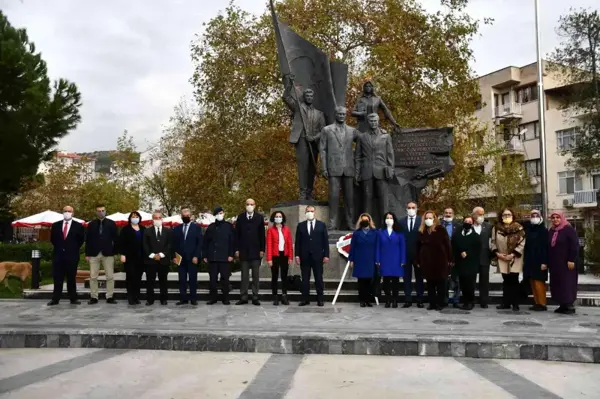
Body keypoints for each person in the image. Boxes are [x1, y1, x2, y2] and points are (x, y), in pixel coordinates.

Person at [282, 74, 326, 200]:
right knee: (303, 167)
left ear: (313, 97)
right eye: (307, 95)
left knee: (312, 167)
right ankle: (302, 193)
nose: (309, 97)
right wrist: (289, 83)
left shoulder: (319, 114)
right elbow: (286, 97)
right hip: (301, 139)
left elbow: (323, 130)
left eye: (311, 95)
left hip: (314, 142)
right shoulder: (298, 108)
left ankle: (309, 193)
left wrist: (314, 137)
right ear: (304, 97)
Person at [320, 106, 358, 230]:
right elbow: (323, 149)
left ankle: (350, 223)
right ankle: (332, 223)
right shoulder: (327, 130)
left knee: (349, 197)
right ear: (335, 115)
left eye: (343, 114)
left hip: (348, 168)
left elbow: (364, 141)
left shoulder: (353, 131)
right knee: (334, 196)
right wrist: (324, 167)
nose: (341, 116)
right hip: (333, 167)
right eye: (339, 114)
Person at [355, 113, 395, 221]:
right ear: (368, 122)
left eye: (375, 121)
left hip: (381, 171)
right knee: (367, 200)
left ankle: (385, 225)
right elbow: (358, 157)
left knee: (383, 201)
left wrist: (391, 170)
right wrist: (357, 174)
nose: (373, 123)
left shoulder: (385, 136)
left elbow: (390, 154)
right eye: (371, 121)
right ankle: (366, 224)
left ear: (378, 122)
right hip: (366, 171)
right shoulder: (362, 137)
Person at [47, 206, 85, 306]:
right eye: (65, 211)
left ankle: (73, 298)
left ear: (73, 213)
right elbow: (53, 239)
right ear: (62, 212)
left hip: (72, 256)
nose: (67, 212)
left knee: (71, 278)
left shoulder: (78, 226)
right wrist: (61, 247)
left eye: (69, 211)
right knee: (57, 278)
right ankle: (55, 299)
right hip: (58, 256)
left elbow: (81, 240)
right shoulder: (56, 225)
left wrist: (71, 248)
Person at [416, 211, 452, 310]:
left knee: (441, 284)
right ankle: (432, 303)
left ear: (434, 218)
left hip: (440, 260)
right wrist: (418, 260)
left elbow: (447, 245)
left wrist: (450, 259)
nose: (428, 220)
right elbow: (418, 247)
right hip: (427, 261)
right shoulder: (421, 231)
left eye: (430, 218)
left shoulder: (440, 229)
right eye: (426, 218)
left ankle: (441, 303)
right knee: (430, 284)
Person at [491, 208, 526, 312]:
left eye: (509, 214)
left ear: (513, 215)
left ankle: (515, 303)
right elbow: (493, 241)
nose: (507, 216)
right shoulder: (496, 228)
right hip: (501, 257)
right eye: (504, 215)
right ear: (501, 216)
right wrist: (497, 253)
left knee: (514, 280)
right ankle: (505, 303)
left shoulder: (519, 228)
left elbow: (522, 242)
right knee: (506, 280)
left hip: (514, 258)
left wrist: (513, 254)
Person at [295, 205, 329, 306]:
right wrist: (297, 255)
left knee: (318, 278)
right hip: (304, 256)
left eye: (312, 211)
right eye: (308, 211)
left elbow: (325, 241)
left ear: (315, 212)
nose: (310, 213)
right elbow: (298, 242)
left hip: (318, 256)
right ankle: (305, 299)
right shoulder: (301, 225)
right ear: (305, 212)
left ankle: (320, 299)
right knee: (305, 279)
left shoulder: (321, 225)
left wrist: (326, 255)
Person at [85, 204, 118, 304]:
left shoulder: (112, 223)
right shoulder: (91, 224)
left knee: (110, 276)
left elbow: (116, 239)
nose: (101, 212)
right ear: (96, 212)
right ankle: (94, 297)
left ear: (105, 211)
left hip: (108, 253)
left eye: (103, 210)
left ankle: (110, 296)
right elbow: (88, 240)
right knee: (93, 276)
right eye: (99, 211)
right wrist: (87, 254)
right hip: (94, 254)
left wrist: (115, 252)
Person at [235, 198, 265, 306]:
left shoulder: (259, 218)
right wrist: (237, 249)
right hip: (243, 252)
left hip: (256, 252)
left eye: (251, 204)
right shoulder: (240, 217)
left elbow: (262, 235)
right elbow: (237, 235)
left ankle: (255, 296)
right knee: (244, 276)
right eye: (248, 204)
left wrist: (262, 249)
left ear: (255, 205)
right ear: (245, 205)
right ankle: (243, 296)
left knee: (256, 276)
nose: (249, 206)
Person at [548, 211, 579, 315]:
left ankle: (569, 305)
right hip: (555, 263)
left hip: (566, 263)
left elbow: (574, 245)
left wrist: (571, 259)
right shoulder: (551, 230)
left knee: (567, 283)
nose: (555, 219)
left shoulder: (568, 229)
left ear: (562, 218)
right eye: (553, 218)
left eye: (557, 217)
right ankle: (562, 305)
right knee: (557, 283)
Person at [203, 206, 235, 305]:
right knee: (212, 279)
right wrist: (205, 255)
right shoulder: (211, 227)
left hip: (225, 257)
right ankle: (213, 297)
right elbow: (205, 242)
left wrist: (231, 254)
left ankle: (225, 298)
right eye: (218, 213)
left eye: (221, 213)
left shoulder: (228, 226)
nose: (220, 215)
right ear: (215, 215)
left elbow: (232, 242)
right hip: (212, 257)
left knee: (225, 278)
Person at [172, 207, 203, 306]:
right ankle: (183, 298)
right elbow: (174, 244)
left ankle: (193, 298)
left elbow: (199, 243)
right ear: (181, 216)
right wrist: (174, 256)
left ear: (190, 216)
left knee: (193, 279)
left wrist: (196, 256)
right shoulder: (177, 229)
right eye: (183, 215)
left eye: (187, 215)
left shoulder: (196, 228)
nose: (185, 216)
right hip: (180, 258)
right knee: (182, 279)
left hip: (192, 257)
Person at [376, 212, 406, 308]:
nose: (389, 219)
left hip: (396, 260)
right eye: (387, 218)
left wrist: (403, 260)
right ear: (384, 220)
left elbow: (403, 247)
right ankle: (387, 299)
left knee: (395, 282)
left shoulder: (399, 233)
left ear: (394, 220)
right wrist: (377, 259)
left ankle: (395, 300)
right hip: (384, 260)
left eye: (391, 217)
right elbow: (377, 247)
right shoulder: (380, 232)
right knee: (385, 282)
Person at [143, 211, 173, 306]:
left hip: (163, 260)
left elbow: (170, 245)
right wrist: (153, 255)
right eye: (156, 218)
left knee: (163, 281)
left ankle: (163, 299)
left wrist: (161, 255)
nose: (158, 219)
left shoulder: (168, 231)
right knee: (150, 282)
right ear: (153, 219)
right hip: (150, 261)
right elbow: (145, 245)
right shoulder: (147, 231)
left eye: (159, 217)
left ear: (162, 219)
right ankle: (150, 300)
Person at [348, 214, 378, 307]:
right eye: (363, 220)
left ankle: (368, 300)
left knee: (369, 281)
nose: (365, 221)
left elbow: (377, 247)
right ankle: (362, 300)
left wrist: (377, 259)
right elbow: (352, 247)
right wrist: (351, 260)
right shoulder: (356, 233)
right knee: (361, 281)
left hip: (370, 259)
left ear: (369, 221)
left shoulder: (375, 232)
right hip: (360, 259)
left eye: (366, 220)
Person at [451, 216, 481, 310]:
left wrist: (467, 253)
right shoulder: (457, 234)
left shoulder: (476, 236)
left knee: (470, 284)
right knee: (463, 283)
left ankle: (471, 302)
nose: (467, 223)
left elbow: (477, 249)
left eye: (469, 221)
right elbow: (454, 245)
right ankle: (465, 302)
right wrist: (460, 252)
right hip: (461, 262)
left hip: (471, 263)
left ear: (472, 224)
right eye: (466, 221)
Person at [399, 202, 424, 308]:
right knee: (406, 278)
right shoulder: (401, 222)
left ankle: (419, 299)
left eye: (413, 207)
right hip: (405, 254)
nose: (411, 209)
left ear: (417, 209)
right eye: (409, 207)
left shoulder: (421, 221)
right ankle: (408, 299)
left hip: (418, 254)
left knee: (419, 278)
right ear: (406, 209)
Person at [523, 210, 549, 311]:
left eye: (536, 215)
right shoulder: (529, 229)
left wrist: (545, 262)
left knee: (539, 282)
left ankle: (542, 303)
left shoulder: (544, 230)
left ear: (540, 217)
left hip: (540, 260)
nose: (534, 217)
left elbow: (546, 247)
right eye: (532, 215)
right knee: (532, 281)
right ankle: (537, 302)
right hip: (530, 260)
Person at [118, 211, 146, 305]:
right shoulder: (125, 229)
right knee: (130, 277)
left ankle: (136, 297)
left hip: (141, 257)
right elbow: (121, 242)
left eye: (137, 216)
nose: (135, 218)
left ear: (139, 218)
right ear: (130, 218)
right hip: (129, 257)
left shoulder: (143, 229)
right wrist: (122, 254)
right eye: (133, 216)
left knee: (138, 277)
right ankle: (130, 297)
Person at [266, 211, 293, 306]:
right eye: (276, 216)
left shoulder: (287, 229)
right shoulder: (270, 230)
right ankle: (275, 296)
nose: (278, 218)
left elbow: (289, 243)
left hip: (284, 255)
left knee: (284, 277)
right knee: (274, 276)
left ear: (283, 218)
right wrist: (269, 259)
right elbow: (268, 245)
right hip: (274, 255)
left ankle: (284, 295)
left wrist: (290, 256)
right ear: (274, 218)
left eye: (280, 216)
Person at [472, 206, 492, 308]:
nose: (481, 216)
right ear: (474, 215)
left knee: (484, 280)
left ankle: (484, 301)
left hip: (484, 257)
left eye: (483, 214)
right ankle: (471, 299)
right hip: (471, 258)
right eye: (479, 214)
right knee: (471, 280)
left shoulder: (488, 226)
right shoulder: (468, 225)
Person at [441, 207, 461, 308]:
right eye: (446, 212)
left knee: (456, 279)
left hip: (455, 256)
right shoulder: (439, 225)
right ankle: (444, 300)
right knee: (443, 279)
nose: (448, 214)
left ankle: (455, 300)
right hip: (441, 257)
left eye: (450, 213)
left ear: (453, 214)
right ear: (443, 213)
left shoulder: (458, 226)